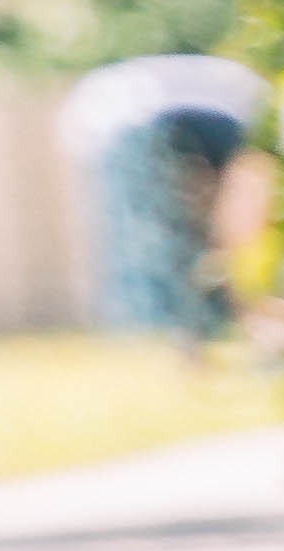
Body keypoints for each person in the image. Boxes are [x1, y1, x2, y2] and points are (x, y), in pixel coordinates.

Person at [58, 50, 272, 339]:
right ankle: (195, 323)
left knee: (163, 242)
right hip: (142, 126)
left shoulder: (107, 102)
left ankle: (182, 323)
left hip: (132, 126)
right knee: (207, 237)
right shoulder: (237, 92)